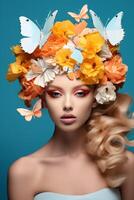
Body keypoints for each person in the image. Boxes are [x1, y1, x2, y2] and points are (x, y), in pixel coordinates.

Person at [6, 4, 134, 200]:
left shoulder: (124, 163)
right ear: (42, 98)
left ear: (96, 97)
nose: (67, 104)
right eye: (55, 94)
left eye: (80, 93)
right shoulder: (24, 172)